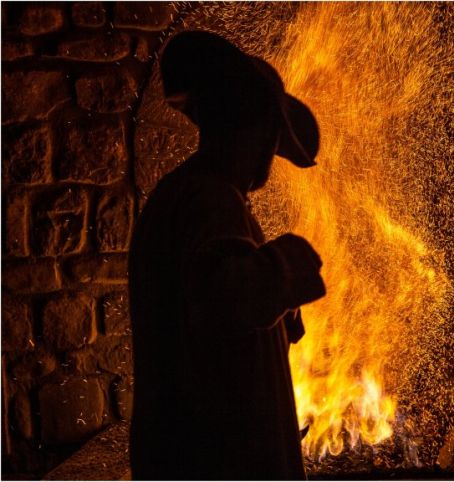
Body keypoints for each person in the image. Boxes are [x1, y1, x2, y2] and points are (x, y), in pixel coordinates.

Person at [128, 31, 326, 480]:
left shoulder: (184, 194)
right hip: (215, 459)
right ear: (252, 130)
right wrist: (284, 267)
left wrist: (278, 311)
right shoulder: (208, 199)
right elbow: (226, 296)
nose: (268, 162)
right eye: (270, 141)